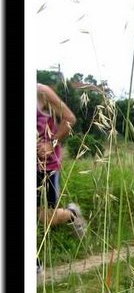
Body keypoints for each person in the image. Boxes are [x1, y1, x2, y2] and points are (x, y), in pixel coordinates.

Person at [37, 83, 87, 273]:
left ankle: (71, 215)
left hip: (44, 167)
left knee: (44, 217)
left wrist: (52, 143)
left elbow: (69, 119)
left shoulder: (41, 93)